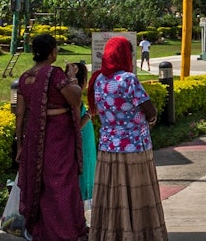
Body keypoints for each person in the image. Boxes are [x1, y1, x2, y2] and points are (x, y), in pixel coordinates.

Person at [88, 36, 168, 241]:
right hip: (134, 148)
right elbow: (149, 108)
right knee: (136, 196)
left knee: (112, 196)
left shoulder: (98, 79)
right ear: (123, 55)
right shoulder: (127, 79)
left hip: (108, 148)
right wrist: (152, 119)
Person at [14, 33, 86, 241]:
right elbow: (75, 99)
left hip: (34, 139)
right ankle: (65, 232)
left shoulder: (25, 77)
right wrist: (72, 75)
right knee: (61, 183)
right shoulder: (54, 75)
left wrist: (20, 144)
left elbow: (20, 114)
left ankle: (42, 231)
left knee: (41, 185)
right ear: (52, 52)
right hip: (58, 137)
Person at [65, 61, 97, 204]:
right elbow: (77, 124)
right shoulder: (75, 97)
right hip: (82, 142)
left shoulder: (69, 94)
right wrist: (90, 114)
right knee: (83, 174)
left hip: (85, 141)